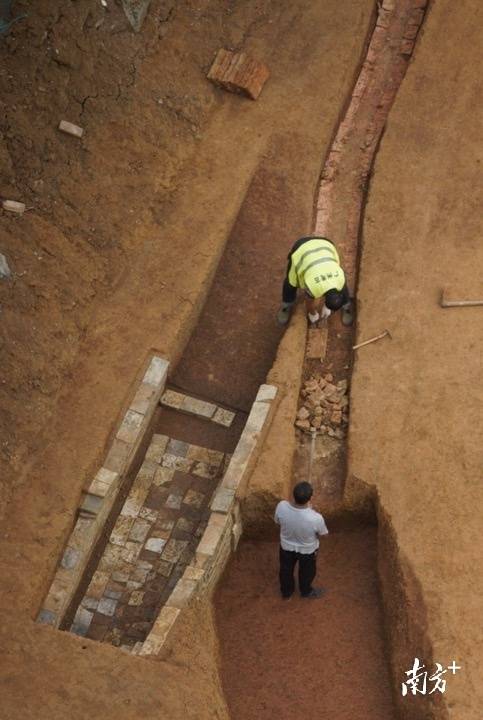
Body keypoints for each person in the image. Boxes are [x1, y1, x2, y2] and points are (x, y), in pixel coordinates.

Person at [277, 235, 353, 326]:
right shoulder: (314, 287)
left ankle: (346, 306)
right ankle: (286, 305)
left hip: (326, 244)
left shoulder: (340, 278)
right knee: (291, 282)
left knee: (344, 287)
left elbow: (340, 289)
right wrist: (312, 314)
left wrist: (327, 307)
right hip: (302, 248)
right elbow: (309, 301)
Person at [274, 481, 329, 599]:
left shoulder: (281, 506)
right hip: (307, 551)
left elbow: (277, 522)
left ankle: (286, 592)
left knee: (286, 570)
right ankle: (306, 592)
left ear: (293, 495)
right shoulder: (316, 518)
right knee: (307, 572)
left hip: (286, 547)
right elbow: (324, 535)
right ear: (310, 498)